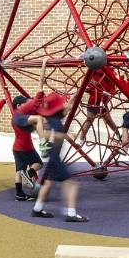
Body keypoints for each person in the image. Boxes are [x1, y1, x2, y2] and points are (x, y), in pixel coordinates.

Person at [31, 91, 88, 222]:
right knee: (72, 183)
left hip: (53, 158)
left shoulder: (54, 118)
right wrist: (65, 136)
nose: (65, 107)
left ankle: (37, 209)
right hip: (54, 159)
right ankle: (71, 213)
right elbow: (45, 134)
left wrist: (74, 97)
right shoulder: (54, 123)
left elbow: (66, 109)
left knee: (48, 183)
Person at [10, 94, 43, 200]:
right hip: (26, 147)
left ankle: (19, 194)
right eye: (24, 104)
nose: (26, 105)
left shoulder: (15, 117)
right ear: (19, 105)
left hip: (17, 148)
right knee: (39, 163)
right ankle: (29, 173)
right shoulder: (21, 117)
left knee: (19, 171)